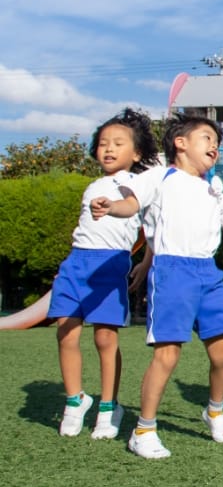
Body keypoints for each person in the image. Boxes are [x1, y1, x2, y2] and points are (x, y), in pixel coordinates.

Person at [91, 113, 223, 459]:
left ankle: (214, 410)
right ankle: (144, 430)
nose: (214, 146)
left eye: (216, 142)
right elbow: (130, 204)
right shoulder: (160, 177)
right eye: (207, 138)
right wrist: (111, 208)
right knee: (167, 355)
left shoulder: (214, 190)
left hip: (207, 275)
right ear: (181, 143)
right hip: (172, 272)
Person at [49, 108, 159, 438]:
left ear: (137, 152)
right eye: (102, 143)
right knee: (65, 331)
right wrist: (66, 269)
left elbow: (151, 228)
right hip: (76, 262)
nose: (108, 149)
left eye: (118, 143)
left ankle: (109, 406)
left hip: (111, 265)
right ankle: (75, 400)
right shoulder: (92, 185)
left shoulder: (138, 186)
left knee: (104, 337)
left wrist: (146, 263)